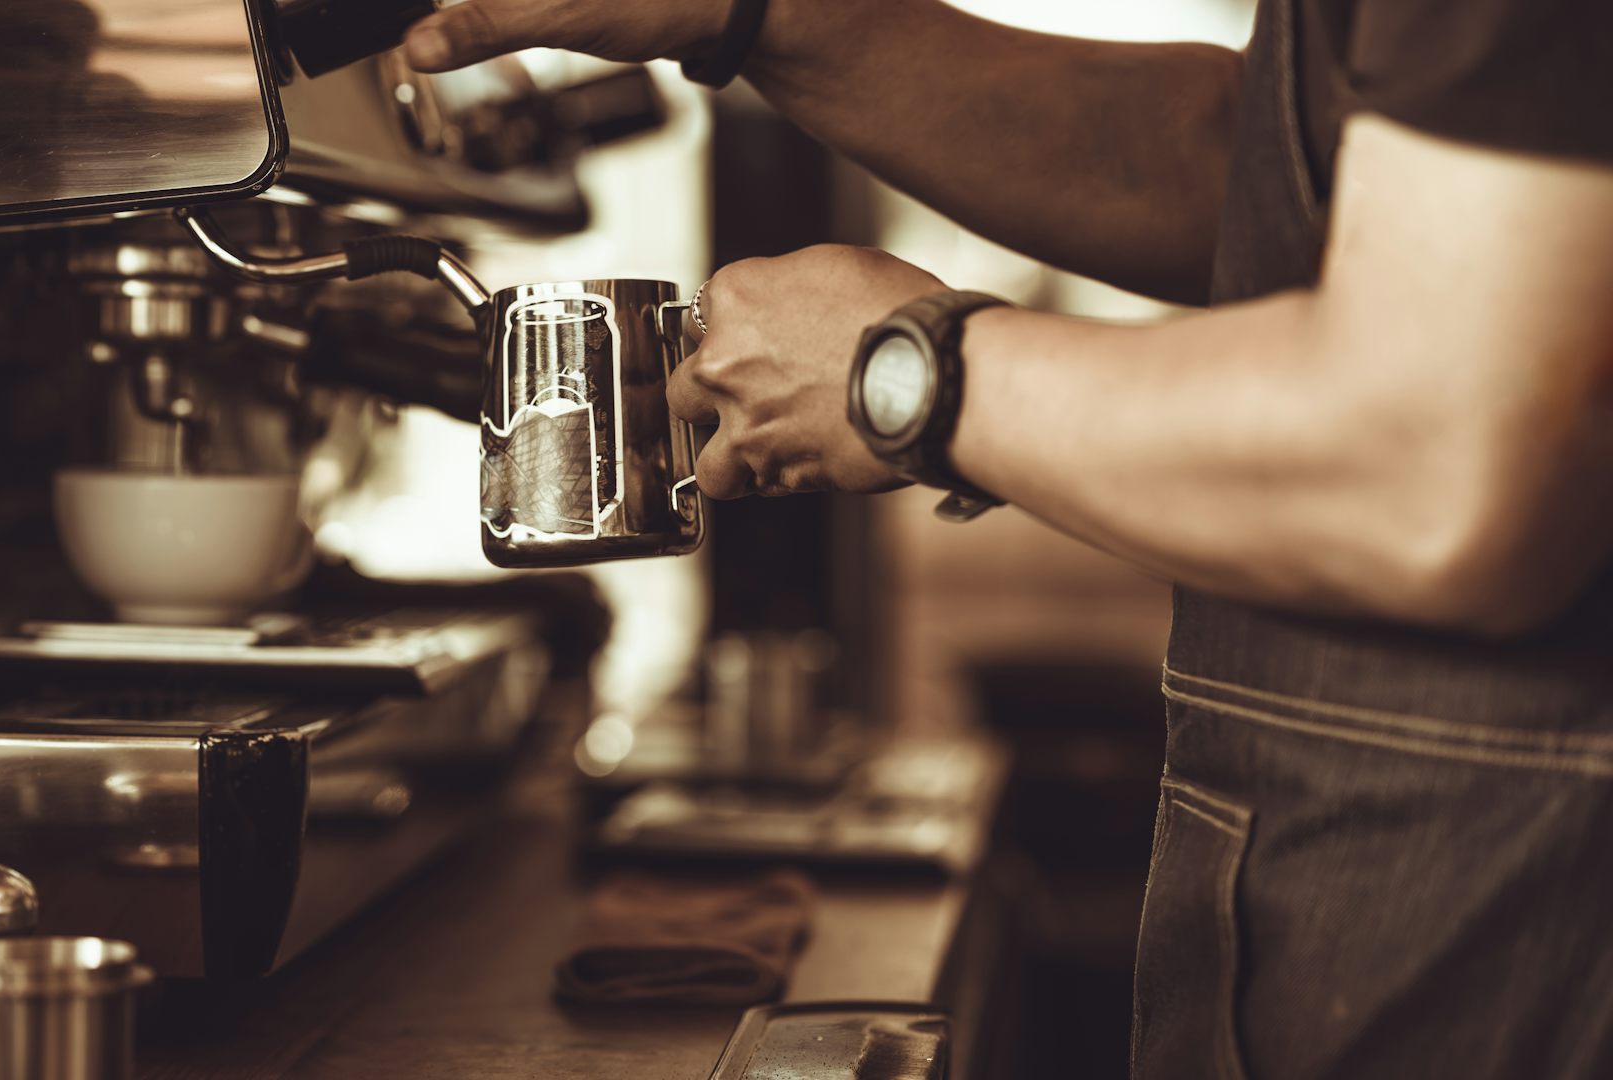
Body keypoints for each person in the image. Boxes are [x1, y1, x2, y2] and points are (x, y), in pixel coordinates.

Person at [403, 0, 1613, 1076]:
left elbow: (1441, 466)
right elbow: (1248, 168)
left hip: (1504, 894)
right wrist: (754, 17)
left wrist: (911, 378)